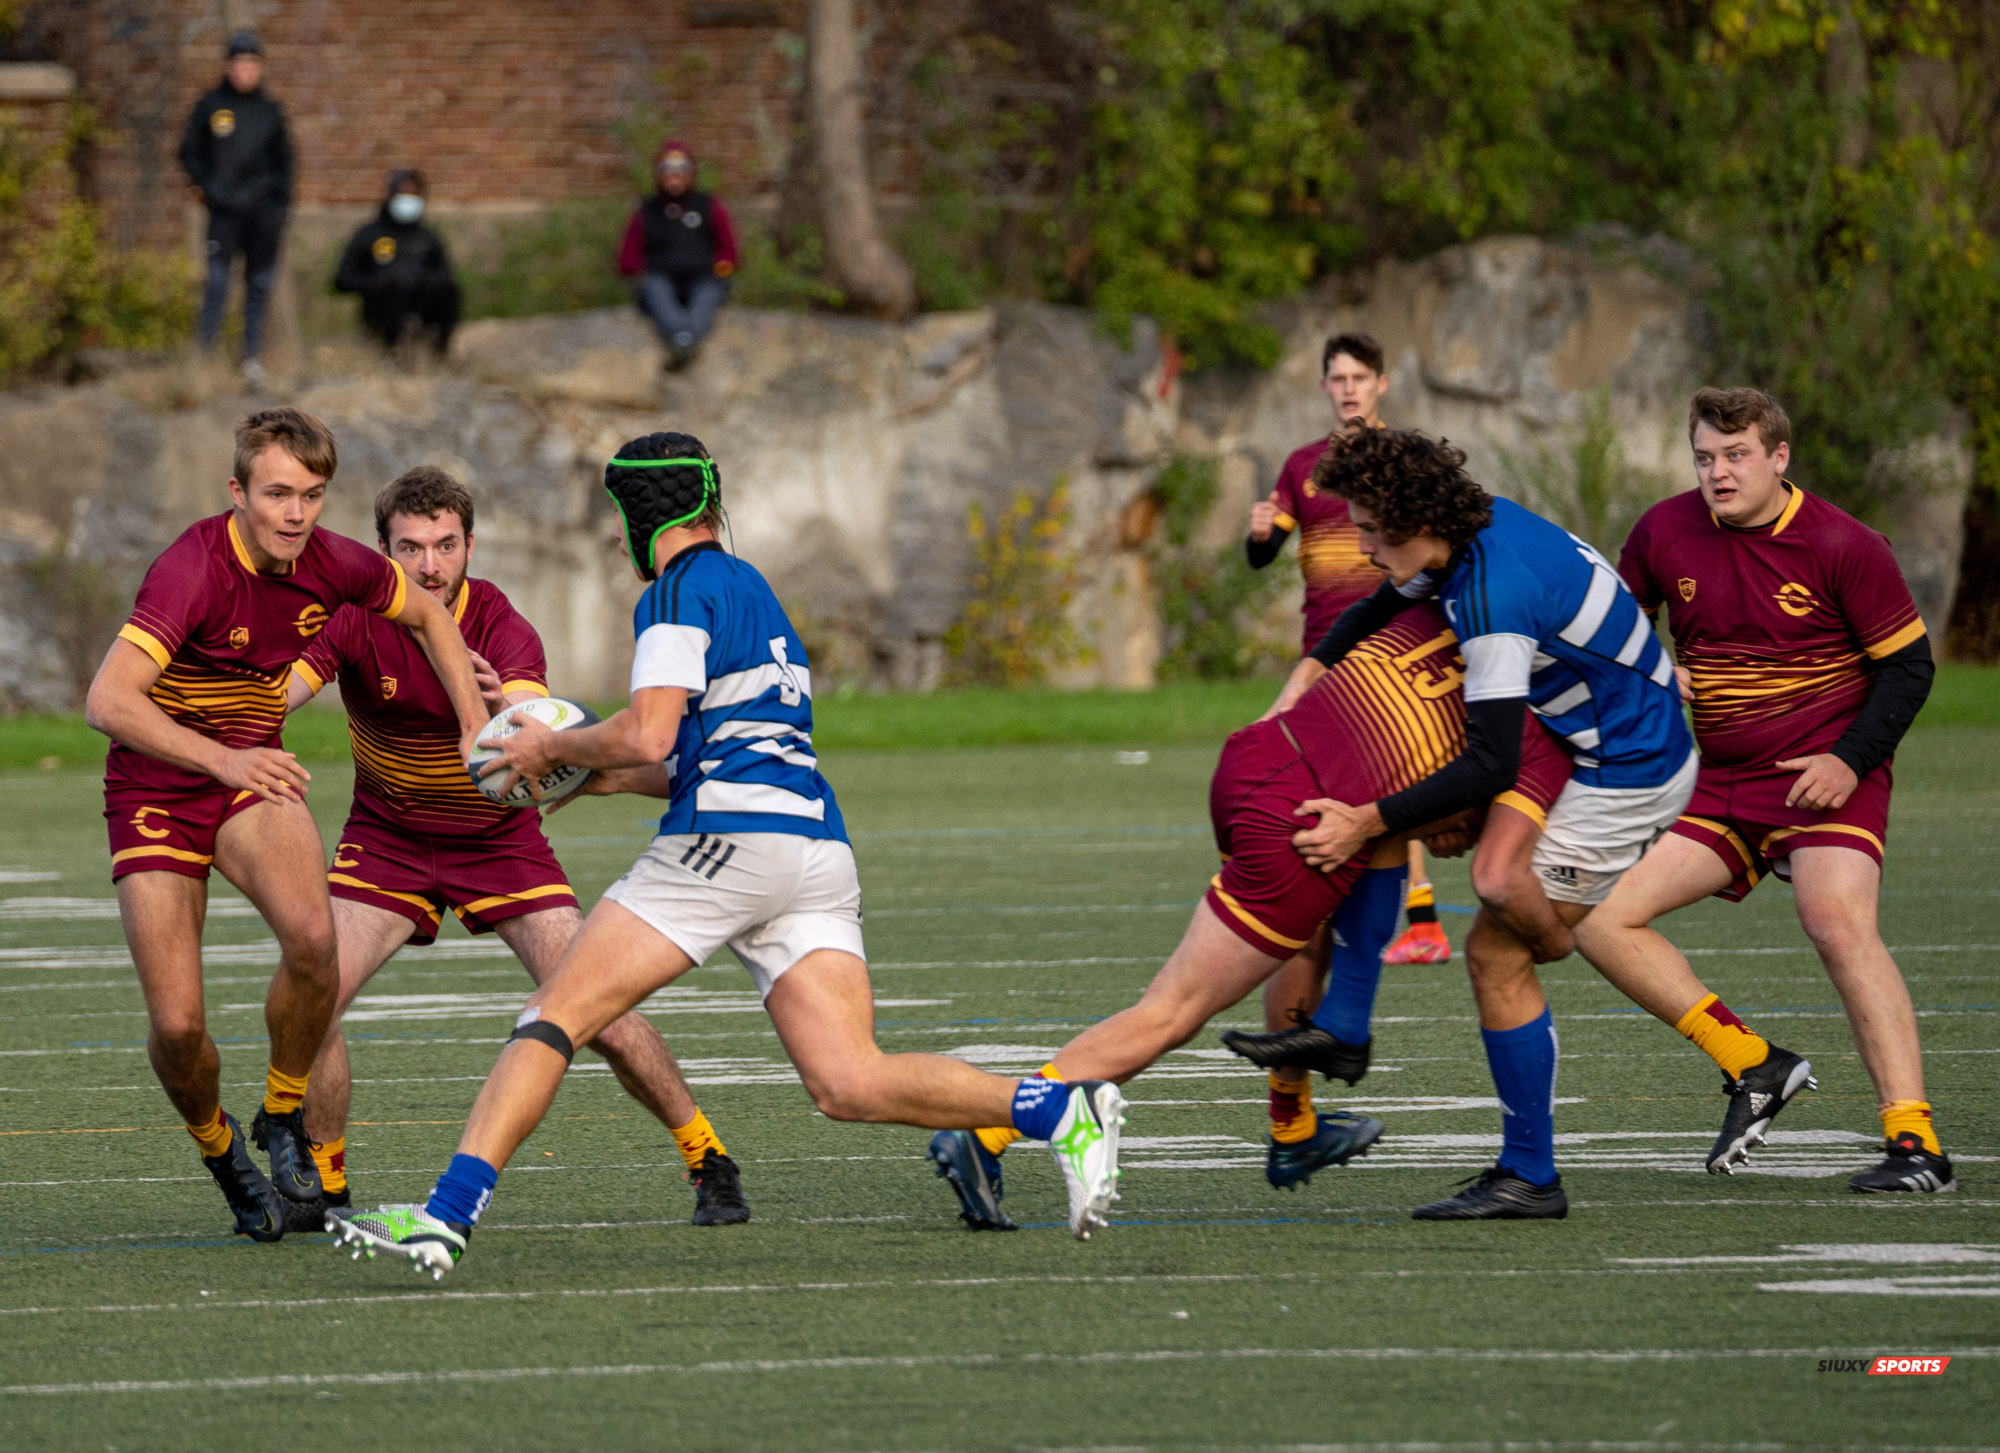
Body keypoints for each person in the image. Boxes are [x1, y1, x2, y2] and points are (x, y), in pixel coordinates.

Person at [331, 432, 1124, 1280]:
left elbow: (646, 730)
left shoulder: (678, 591)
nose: (613, 537)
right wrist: (591, 776)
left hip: (727, 844)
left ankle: (443, 1218)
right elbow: (694, 751)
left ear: (642, 515)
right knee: (849, 1079)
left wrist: (548, 749)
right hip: (814, 849)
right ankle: (1054, 1109)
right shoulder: (753, 590)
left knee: (552, 1016)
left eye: (616, 517)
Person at [928, 603, 1574, 1231]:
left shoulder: (1448, 606)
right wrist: (1554, 933)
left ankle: (1295, 1124)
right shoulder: (1530, 723)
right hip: (1296, 814)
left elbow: (1351, 651)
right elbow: (1482, 843)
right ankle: (989, 1128)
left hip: (1256, 753)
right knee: (1171, 1008)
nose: (1457, 843)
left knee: (1306, 940)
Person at [283, 466, 749, 1232]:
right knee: (312, 995)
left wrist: (510, 706)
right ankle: (324, 1184)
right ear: (381, 549)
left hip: (500, 844)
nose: (429, 565)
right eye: (410, 547)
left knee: (598, 1009)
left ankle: (708, 1158)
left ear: (470, 544)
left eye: (445, 545)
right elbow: (283, 695)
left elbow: (541, 718)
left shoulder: (500, 621)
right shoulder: (352, 614)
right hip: (387, 840)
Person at [1258, 428, 1696, 1219]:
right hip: (1566, 737)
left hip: (1629, 768)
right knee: (1402, 821)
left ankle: (1532, 1173)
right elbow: (1380, 605)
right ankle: (1350, 1026)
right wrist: (1305, 681)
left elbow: (1490, 764)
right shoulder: (1461, 534)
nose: (1357, 544)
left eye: (1365, 527)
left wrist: (1365, 821)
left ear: (1413, 520)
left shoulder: (1495, 594)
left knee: (1498, 942)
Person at [83, 408, 485, 1242]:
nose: (296, 513)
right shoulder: (191, 569)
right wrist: (223, 758)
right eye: (276, 494)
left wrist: (474, 722)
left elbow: (432, 616)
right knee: (179, 1024)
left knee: (314, 940)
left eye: (311, 494)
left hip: (247, 776)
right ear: (238, 493)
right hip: (158, 786)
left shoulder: (337, 562)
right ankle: (221, 1149)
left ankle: (279, 1113)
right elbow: (107, 701)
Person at [1576, 387, 1952, 1193]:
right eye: (1706, 457)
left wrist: (1849, 759)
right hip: (1720, 781)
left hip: (1826, 775)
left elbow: (1909, 667)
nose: (1718, 472)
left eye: (1736, 455)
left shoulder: (1844, 543)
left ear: (1779, 458)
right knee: (1600, 915)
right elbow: (1612, 622)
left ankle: (1916, 1142)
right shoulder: (1664, 530)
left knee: (1835, 921)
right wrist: (1646, 664)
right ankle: (1753, 1061)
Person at [1237, 334, 1448, 1193]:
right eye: (1337, 377)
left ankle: (1300, 1107)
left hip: (1395, 682)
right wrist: (1258, 534)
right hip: (1329, 677)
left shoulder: (1408, 465)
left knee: (1355, 856)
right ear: (1324, 386)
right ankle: (1301, 1102)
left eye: (1362, 377)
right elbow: (1266, 549)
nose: (1349, 389)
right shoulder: (1300, 466)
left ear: (1382, 384)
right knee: (1311, 900)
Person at [178, 31, 293, 386]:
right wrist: (211, 189)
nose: (246, 69)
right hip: (224, 212)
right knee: (216, 282)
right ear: (229, 65)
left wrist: (278, 208)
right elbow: (189, 152)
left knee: (258, 284)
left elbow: (285, 166)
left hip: (261, 214)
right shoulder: (210, 106)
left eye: (252, 63)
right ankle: (205, 355)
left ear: (260, 67)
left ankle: (251, 358)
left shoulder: (270, 112)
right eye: (240, 62)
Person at [618, 140, 739, 363]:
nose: (675, 175)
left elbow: (729, 251)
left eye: (682, 169)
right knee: (656, 291)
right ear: (658, 174)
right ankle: (679, 336)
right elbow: (628, 258)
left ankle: (690, 337)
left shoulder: (709, 205)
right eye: (667, 169)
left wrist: (720, 265)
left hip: (702, 276)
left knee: (707, 295)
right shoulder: (646, 211)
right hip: (660, 276)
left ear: (691, 173)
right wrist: (641, 271)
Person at [333, 170, 461, 356]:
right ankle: (391, 352)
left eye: (413, 195)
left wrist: (426, 283)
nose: (407, 201)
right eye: (402, 195)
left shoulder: (427, 237)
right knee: (394, 286)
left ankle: (439, 351)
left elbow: (445, 274)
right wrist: (375, 284)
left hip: (422, 307)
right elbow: (342, 279)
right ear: (391, 196)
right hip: (382, 309)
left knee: (448, 290)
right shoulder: (370, 234)